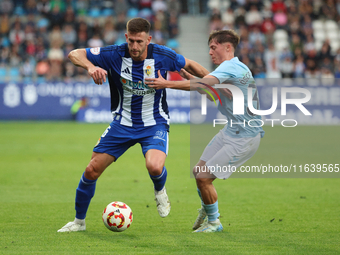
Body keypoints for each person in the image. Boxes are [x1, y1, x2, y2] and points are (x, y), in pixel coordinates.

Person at [57, 17, 209, 232]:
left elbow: (191, 64)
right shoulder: (114, 54)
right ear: (126, 37)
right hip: (122, 123)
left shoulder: (163, 55)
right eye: (132, 41)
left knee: (154, 166)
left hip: (154, 123)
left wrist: (216, 80)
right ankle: (79, 222)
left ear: (148, 39)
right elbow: (75, 54)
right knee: (91, 170)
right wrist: (91, 67)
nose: (135, 47)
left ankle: (159, 190)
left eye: (140, 42)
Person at [145, 29, 265, 233]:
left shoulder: (231, 67)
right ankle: (208, 207)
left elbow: (203, 83)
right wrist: (189, 76)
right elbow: (214, 93)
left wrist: (166, 83)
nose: (210, 52)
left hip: (244, 137)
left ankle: (214, 222)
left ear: (227, 47)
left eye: (213, 47)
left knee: (203, 177)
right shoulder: (234, 69)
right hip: (232, 130)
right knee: (198, 172)